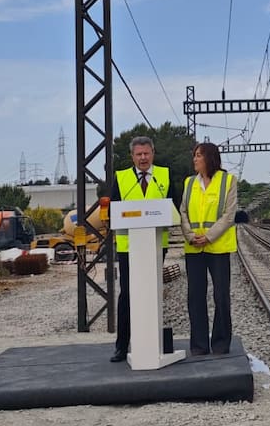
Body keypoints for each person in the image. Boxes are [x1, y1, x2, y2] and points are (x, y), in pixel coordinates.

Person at [94, 136, 175, 363]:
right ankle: (122, 346)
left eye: (146, 153)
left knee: (152, 293)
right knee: (127, 295)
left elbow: (174, 207)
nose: (143, 158)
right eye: (138, 154)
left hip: (157, 245)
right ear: (132, 156)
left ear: (153, 153)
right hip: (130, 248)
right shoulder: (121, 178)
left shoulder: (165, 175)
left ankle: (152, 343)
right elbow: (113, 212)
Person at [179, 142, 239, 356]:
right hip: (194, 247)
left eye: (198, 156)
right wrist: (189, 234)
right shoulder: (189, 182)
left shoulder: (228, 181)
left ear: (209, 158)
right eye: (194, 155)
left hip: (218, 247)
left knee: (221, 295)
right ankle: (199, 346)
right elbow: (183, 212)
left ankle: (221, 343)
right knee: (195, 296)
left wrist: (209, 237)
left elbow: (229, 215)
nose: (194, 159)